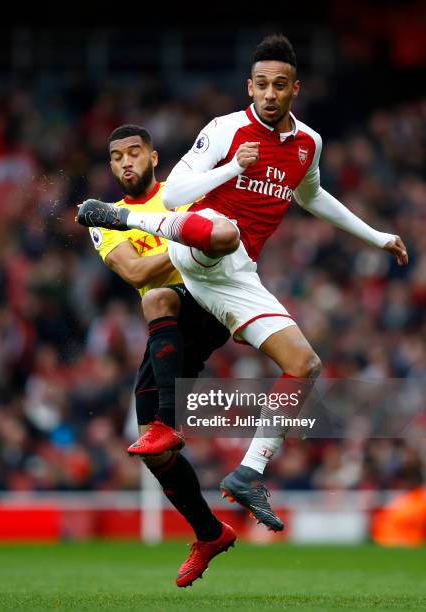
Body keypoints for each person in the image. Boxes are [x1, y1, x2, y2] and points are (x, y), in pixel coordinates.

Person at [78, 34, 409, 532]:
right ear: (248, 87)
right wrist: (235, 166)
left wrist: (376, 236)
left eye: (279, 85)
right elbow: (177, 194)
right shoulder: (225, 130)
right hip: (198, 242)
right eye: (261, 85)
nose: (269, 94)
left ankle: (249, 473)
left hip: (235, 274)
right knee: (222, 232)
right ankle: (122, 219)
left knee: (306, 364)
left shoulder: (309, 143)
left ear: (295, 89)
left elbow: (314, 197)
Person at [85, 124, 235, 588]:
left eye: (134, 153)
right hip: (169, 331)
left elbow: (217, 238)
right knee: (152, 449)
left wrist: (185, 239)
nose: (125, 162)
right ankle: (210, 533)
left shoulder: (181, 190)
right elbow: (133, 271)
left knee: (156, 299)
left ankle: (170, 423)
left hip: (205, 301)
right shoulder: (104, 216)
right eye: (116, 157)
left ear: (153, 157)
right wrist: (184, 237)